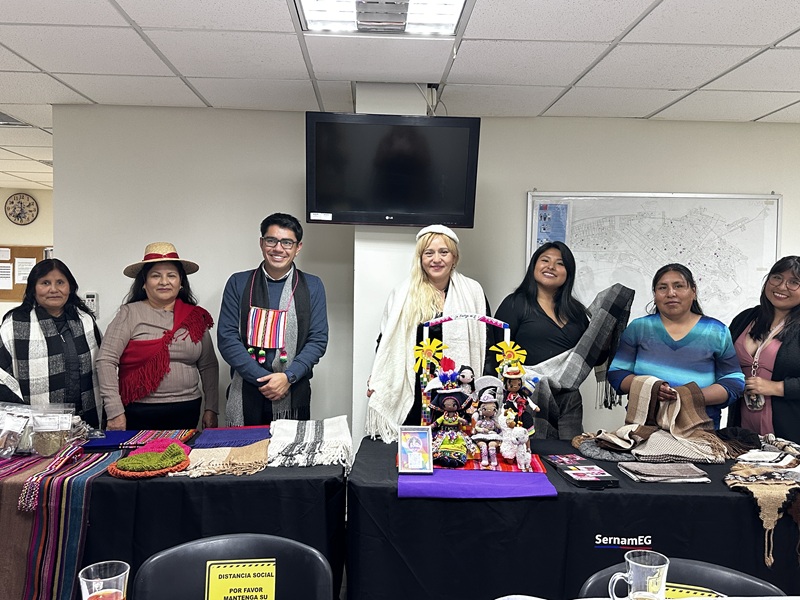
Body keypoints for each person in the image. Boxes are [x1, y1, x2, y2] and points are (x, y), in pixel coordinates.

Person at [365, 224, 489, 442]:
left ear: (454, 257)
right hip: (415, 387)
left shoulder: (473, 291)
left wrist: (485, 386)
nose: (436, 259)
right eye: (429, 253)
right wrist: (378, 376)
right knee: (415, 447)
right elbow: (386, 341)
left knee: (454, 443)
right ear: (420, 258)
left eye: (444, 252)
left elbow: (486, 341)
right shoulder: (403, 293)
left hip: (458, 385)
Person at [218, 213, 328, 426]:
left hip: (293, 390)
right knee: (244, 448)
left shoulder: (312, 286)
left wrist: (288, 377)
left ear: (298, 247)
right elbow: (227, 338)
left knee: (289, 447)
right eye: (271, 241)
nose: (278, 248)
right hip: (245, 390)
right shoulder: (239, 283)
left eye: (287, 242)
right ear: (261, 243)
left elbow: (318, 340)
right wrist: (263, 379)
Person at [96, 242, 218, 431]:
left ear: (181, 282)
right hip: (138, 412)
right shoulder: (128, 314)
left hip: (187, 410)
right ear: (144, 283)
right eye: (155, 275)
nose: (164, 281)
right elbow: (106, 360)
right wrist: (114, 411)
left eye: (171, 275)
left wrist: (211, 408)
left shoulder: (194, 317)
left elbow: (208, 365)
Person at [608, 263, 744, 429]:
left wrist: (689, 396)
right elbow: (617, 373)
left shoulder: (716, 331)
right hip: (644, 429)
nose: (671, 293)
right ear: (655, 295)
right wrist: (652, 389)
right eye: (662, 288)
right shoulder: (639, 328)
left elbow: (733, 382)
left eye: (679, 286)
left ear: (693, 292)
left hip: (699, 431)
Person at [492, 241, 594, 439]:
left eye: (560, 263)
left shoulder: (577, 312)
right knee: (527, 451)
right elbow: (496, 352)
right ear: (534, 266)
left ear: (568, 273)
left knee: (569, 453)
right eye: (545, 260)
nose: (551, 266)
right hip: (525, 399)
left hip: (568, 402)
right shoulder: (515, 304)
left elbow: (590, 356)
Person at [0, 258, 102, 426]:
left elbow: (101, 365)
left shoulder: (85, 321)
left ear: (70, 287)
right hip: (35, 422)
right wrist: (18, 419)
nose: (53, 289)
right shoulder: (14, 324)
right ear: (33, 288)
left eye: (60, 282)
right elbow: (3, 377)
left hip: (85, 417)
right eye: (45, 283)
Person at [729, 256, 800, 442]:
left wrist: (777, 387)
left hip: (791, 433)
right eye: (777, 277)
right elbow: (723, 362)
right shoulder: (746, 318)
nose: (782, 286)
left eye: (794, 282)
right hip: (742, 429)